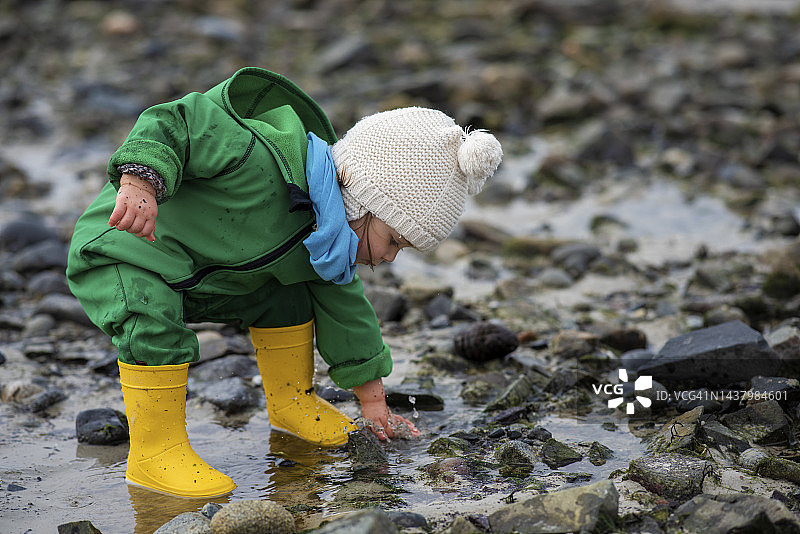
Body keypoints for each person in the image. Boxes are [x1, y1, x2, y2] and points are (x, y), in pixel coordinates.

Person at [66, 67, 502, 499]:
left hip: (204, 278)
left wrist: (373, 403)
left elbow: (349, 316)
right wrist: (141, 181)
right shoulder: (256, 156)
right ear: (363, 198)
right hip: (125, 250)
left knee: (289, 292)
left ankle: (292, 404)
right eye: (394, 240)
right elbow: (178, 119)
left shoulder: (328, 244)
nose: (388, 257)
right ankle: (154, 454)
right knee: (150, 320)